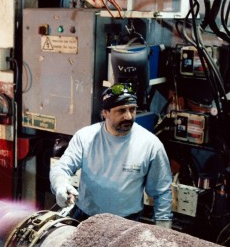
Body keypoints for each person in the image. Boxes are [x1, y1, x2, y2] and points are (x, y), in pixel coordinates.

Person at [50, 83, 173, 228]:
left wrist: (164, 228)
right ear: (105, 113)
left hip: (127, 224)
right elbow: (62, 168)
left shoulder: (151, 145)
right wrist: (60, 184)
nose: (128, 116)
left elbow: (162, 192)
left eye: (132, 109)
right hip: (86, 218)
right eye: (121, 110)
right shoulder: (85, 138)